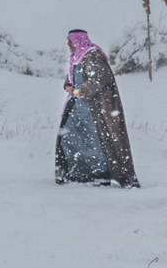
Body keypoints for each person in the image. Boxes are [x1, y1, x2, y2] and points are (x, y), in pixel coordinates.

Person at [55, 30, 139, 187]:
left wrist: (80, 91)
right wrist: (68, 86)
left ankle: (100, 175)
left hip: (94, 109)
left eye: (70, 41)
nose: (68, 44)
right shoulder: (77, 57)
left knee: (96, 141)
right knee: (70, 137)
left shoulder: (92, 55)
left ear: (78, 41)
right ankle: (79, 174)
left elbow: (101, 79)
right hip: (77, 108)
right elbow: (71, 77)